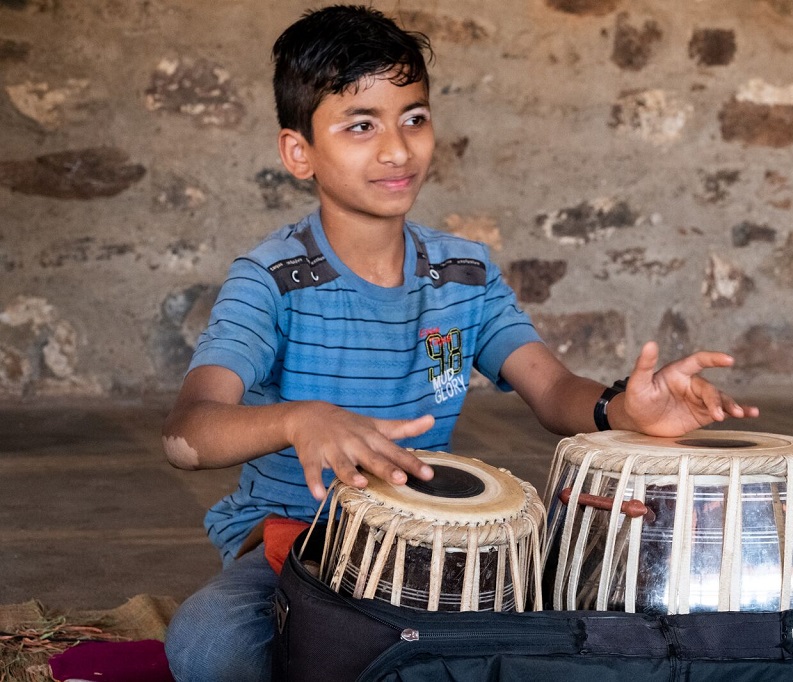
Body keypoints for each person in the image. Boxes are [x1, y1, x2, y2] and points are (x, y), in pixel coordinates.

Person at [161, 5, 758, 680]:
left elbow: (553, 388)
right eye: (361, 126)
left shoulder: (463, 275)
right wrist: (300, 419)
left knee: (595, 630)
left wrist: (622, 410)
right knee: (212, 645)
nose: (397, 149)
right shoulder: (270, 279)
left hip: (434, 547)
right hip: (297, 549)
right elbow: (188, 434)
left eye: (413, 118)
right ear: (299, 152)